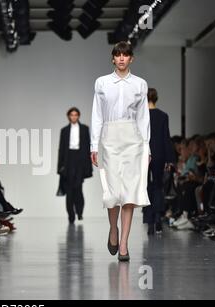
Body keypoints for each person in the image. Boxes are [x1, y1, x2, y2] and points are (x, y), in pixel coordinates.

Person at [90, 41, 151, 262]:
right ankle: (113, 230)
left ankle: (124, 242)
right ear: (113, 58)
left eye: (126, 55)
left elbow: (144, 118)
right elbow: (97, 115)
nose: (122, 58)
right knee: (112, 193)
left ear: (131, 58)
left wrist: (147, 146)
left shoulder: (140, 84)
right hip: (108, 138)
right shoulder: (102, 83)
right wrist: (93, 145)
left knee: (130, 193)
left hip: (133, 140)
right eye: (118, 55)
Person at [142, 88, 175, 235]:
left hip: (143, 154)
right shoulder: (163, 116)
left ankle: (149, 220)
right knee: (158, 185)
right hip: (159, 154)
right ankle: (157, 218)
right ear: (156, 98)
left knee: (145, 186)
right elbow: (165, 138)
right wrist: (169, 159)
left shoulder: (140, 116)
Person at [57, 107, 92, 224]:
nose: (74, 117)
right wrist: (60, 167)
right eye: (71, 115)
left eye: (76, 115)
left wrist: (88, 166)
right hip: (68, 160)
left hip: (80, 160)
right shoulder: (64, 131)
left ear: (78, 116)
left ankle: (80, 211)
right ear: (68, 116)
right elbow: (61, 149)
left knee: (78, 189)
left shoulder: (84, 129)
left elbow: (87, 147)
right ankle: (71, 215)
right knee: (69, 190)